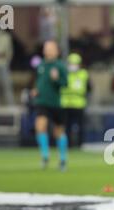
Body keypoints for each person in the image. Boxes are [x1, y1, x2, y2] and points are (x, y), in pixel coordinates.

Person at [32, 40, 68, 171]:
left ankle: (63, 159)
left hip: (56, 103)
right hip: (42, 102)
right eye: (46, 48)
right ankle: (45, 156)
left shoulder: (60, 66)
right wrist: (36, 90)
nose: (48, 50)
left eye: (51, 48)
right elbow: (39, 82)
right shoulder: (41, 65)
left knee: (58, 131)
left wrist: (57, 79)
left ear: (56, 51)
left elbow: (65, 83)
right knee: (40, 126)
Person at [61, 53, 90, 148]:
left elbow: (89, 88)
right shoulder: (64, 74)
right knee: (67, 127)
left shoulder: (83, 74)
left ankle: (80, 145)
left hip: (79, 104)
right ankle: (69, 145)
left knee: (80, 126)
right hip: (66, 104)